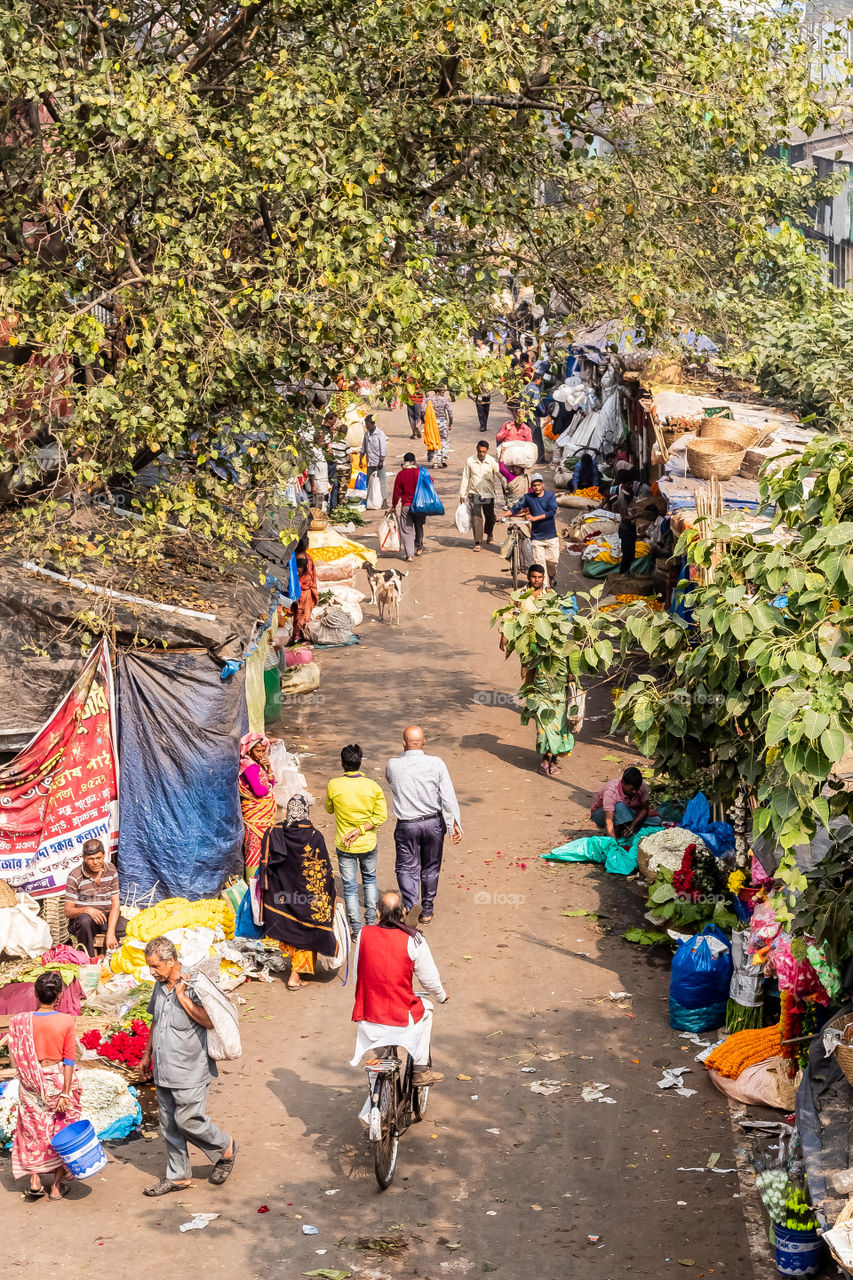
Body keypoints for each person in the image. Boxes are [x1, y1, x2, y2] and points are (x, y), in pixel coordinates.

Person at [139, 937, 236, 1196]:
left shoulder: (194, 983)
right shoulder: (159, 986)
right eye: (150, 966)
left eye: (156, 967)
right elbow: (156, 1020)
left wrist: (182, 997)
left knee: (188, 1120)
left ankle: (225, 1147)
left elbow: (210, 1021)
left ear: (171, 962)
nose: (152, 972)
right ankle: (178, 1176)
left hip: (190, 1068)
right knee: (169, 1124)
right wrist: (147, 1053)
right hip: (164, 1068)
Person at [349, 889, 448, 1087]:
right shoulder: (414, 939)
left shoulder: (363, 934)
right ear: (403, 911)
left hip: (369, 1017)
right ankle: (420, 1070)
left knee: (378, 1055)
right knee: (427, 1010)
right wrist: (442, 996)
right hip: (401, 1020)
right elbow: (430, 980)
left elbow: (357, 976)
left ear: (378, 914)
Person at [1, 970, 82, 1200]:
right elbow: (68, 1060)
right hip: (57, 1081)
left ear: (36, 994)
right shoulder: (66, 1021)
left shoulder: (20, 1022)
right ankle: (56, 1186)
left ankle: (35, 1180)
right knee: (60, 1130)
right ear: (58, 996)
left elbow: (17, 1056)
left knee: (33, 1130)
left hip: (30, 1082)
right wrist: (65, 1093)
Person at [385, 725, 462, 925]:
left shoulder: (393, 765)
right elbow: (447, 796)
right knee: (431, 867)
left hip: (407, 824)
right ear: (424, 742)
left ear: (403, 743)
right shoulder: (436, 763)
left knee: (405, 867)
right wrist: (454, 823)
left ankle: (411, 905)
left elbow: (390, 781)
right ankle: (427, 910)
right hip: (433, 823)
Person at [259, 795, 338, 989]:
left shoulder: (275, 832)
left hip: (283, 897)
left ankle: (298, 971)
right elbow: (323, 870)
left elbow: (268, 865)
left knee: (292, 929)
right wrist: (330, 893)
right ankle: (295, 976)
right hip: (305, 897)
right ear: (305, 812)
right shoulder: (314, 836)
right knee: (307, 931)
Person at [325, 744, 388, 937]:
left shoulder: (334, 785)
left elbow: (329, 809)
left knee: (350, 888)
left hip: (345, 845)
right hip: (368, 843)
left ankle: (357, 930)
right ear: (360, 762)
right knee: (369, 880)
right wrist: (361, 829)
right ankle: (371, 924)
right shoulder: (372, 787)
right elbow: (381, 816)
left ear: (342, 763)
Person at [64, 838, 126, 957]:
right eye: (91, 859)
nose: (95, 862)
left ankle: (112, 957)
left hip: (105, 918)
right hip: (84, 921)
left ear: (104, 855)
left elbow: (115, 903)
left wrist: (111, 932)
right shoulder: (75, 876)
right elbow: (67, 911)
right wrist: (87, 910)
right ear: (84, 858)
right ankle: (89, 959)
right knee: (84, 921)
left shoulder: (111, 870)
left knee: (129, 928)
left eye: (99, 858)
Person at [498, 473, 561, 588]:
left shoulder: (550, 496)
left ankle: (551, 576)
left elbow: (551, 512)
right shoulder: (528, 497)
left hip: (551, 536)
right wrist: (503, 516)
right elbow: (515, 508)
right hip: (537, 537)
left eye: (538, 485)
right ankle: (545, 588)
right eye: (534, 485)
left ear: (542, 485)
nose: (536, 487)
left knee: (552, 563)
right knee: (540, 563)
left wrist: (534, 518)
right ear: (531, 486)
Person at [238, 732, 278, 880]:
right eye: (257, 751)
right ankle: (252, 885)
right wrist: (268, 785)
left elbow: (270, 784)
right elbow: (260, 791)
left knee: (263, 848)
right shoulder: (248, 765)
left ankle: (264, 882)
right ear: (248, 750)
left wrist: (269, 769)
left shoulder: (257, 765)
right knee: (254, 851)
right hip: (255, 817)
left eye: (263, 751)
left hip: (262, 816)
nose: (261, 754)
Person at [459, 439, 502, 551]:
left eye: (483, 452)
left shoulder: (492, 461)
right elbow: (465, 477)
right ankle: (478, 542)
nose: (481, 454)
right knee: (476, 517)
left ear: (487, 451)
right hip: (475, 493)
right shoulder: (470, 461)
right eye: (479, 451)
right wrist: (462, 493)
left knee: (490, 516)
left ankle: (489, 533)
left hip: (488, 494)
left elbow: (500, 475)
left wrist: (508, 487)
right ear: (476, 450)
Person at [590, 766, 651, 838]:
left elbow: (644, 808)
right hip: (603, 815)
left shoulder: (641, 786)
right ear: (623, 783)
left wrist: (633, 825)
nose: (635, 792)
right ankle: (617, 834)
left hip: (627, 812)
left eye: (637, 789)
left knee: (656, 820)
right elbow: (609, 821)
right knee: (619, 805)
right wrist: (614, 844)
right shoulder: (611, 791)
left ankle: (626, 828)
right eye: (632, 789)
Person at [392, 453, 426, 560]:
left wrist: (394, 505)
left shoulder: (401, 474)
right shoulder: (421, 472)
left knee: (407, 530)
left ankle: (410, 554)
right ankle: (419, 547)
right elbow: (430, 483)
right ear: (415, 461)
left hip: (406, 505)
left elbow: (396, 492)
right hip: (420, 505)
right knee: (419, 526)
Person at [290, 537, 318, 642]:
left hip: (303, 591)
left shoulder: (300, 560)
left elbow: (297, 575)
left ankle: (299, 638)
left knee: (301, 616)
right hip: (304, 590)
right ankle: (299, 636)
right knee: (300, 615)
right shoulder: (305, 557)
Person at [360, 414, 388, 508]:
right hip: (370, 462)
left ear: (372, 423)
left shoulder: (380, 434)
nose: (366, 425)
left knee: (382, 481)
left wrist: (381, 461)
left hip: (378, 462)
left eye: (367, 423)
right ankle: (370, 499)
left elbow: (383, 448)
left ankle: (384, 500)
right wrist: (361, 457)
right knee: (370, 481)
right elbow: (364, 446)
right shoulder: (367, 433)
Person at [520, 373, 547, 463]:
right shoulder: (535, 389)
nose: (540, 381)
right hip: (532, 416)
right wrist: (543, 412)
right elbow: (536, 403)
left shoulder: (525, 387)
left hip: (524, 415)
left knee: (526, 437)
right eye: (540, 380)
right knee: (536, 437)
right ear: (537, 380)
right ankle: (540, 458)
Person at [425, 389, 453, 467]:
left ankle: (435, 461)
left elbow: (422, 410)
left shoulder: (429, 399)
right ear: (440, 392)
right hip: (442, 422)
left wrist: (424, 421)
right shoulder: (444, 400)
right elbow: (450, 412)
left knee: (433, 440)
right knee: (444, 440)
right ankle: (443, 457)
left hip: (431, 423)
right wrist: (450, 423)